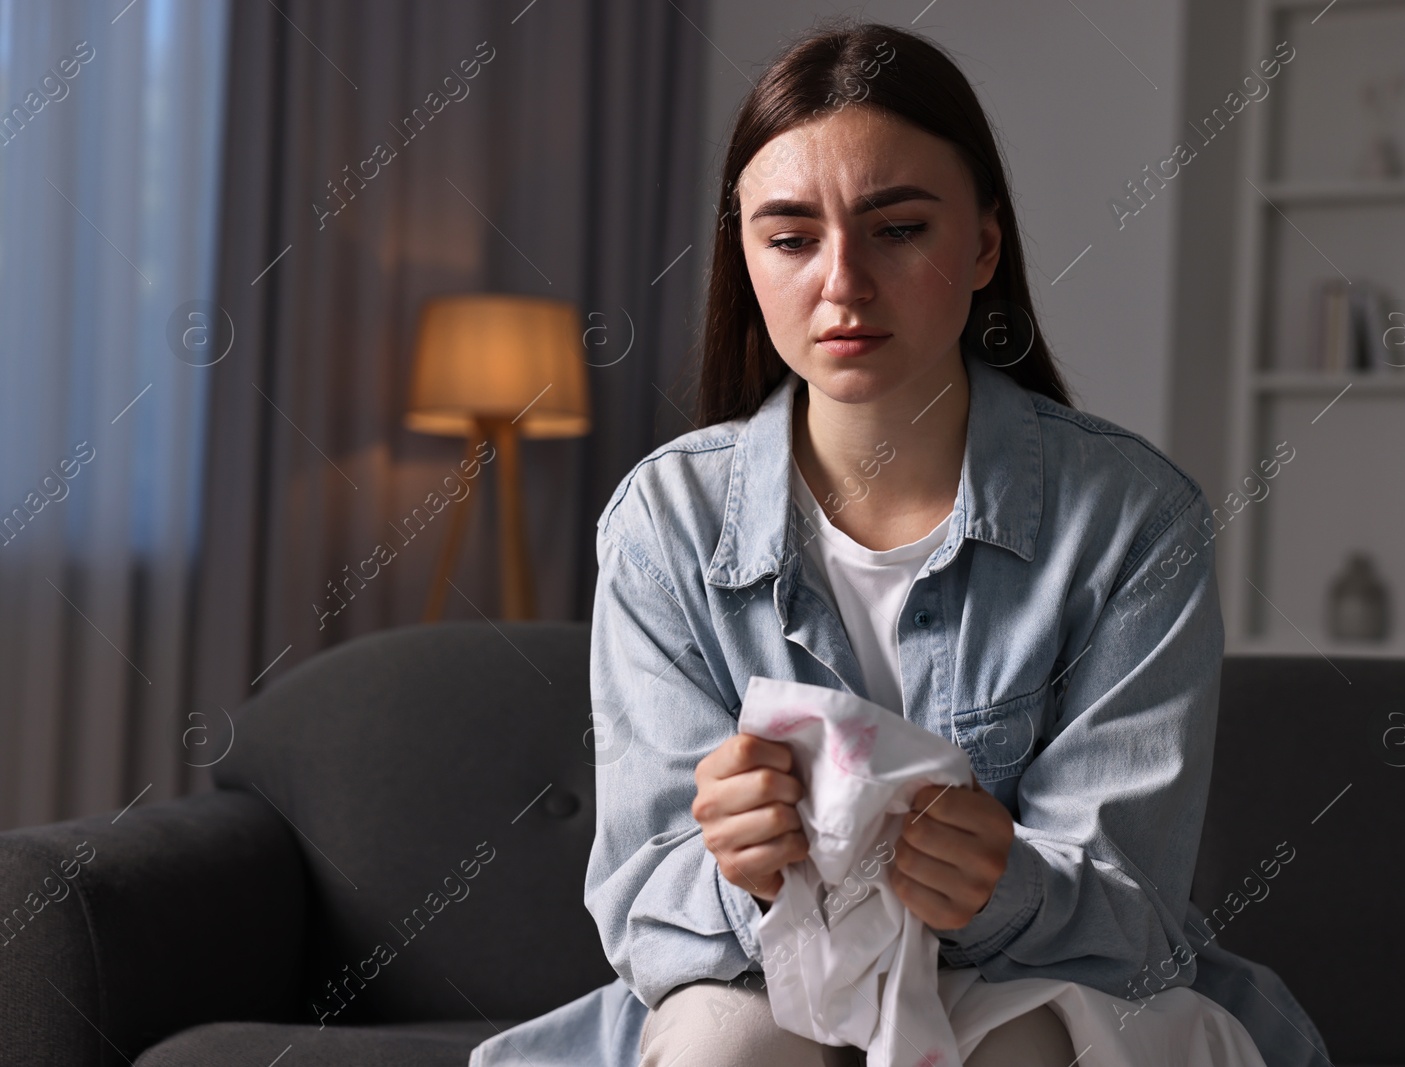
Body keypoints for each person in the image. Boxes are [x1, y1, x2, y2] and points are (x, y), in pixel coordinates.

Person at [471, 18, 1329, 1067]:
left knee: (1016, 1047)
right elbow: (645, 912)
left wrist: (1003, 881)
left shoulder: (1132, 519)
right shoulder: (664, 524)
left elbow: (1135, 919)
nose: (842, 282)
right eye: (789, 238)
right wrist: (736, 870)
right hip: (773, 984)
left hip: (1040, 990)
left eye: (897, 229)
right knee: (722, 1044)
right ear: (745, 259)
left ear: (981, 246)